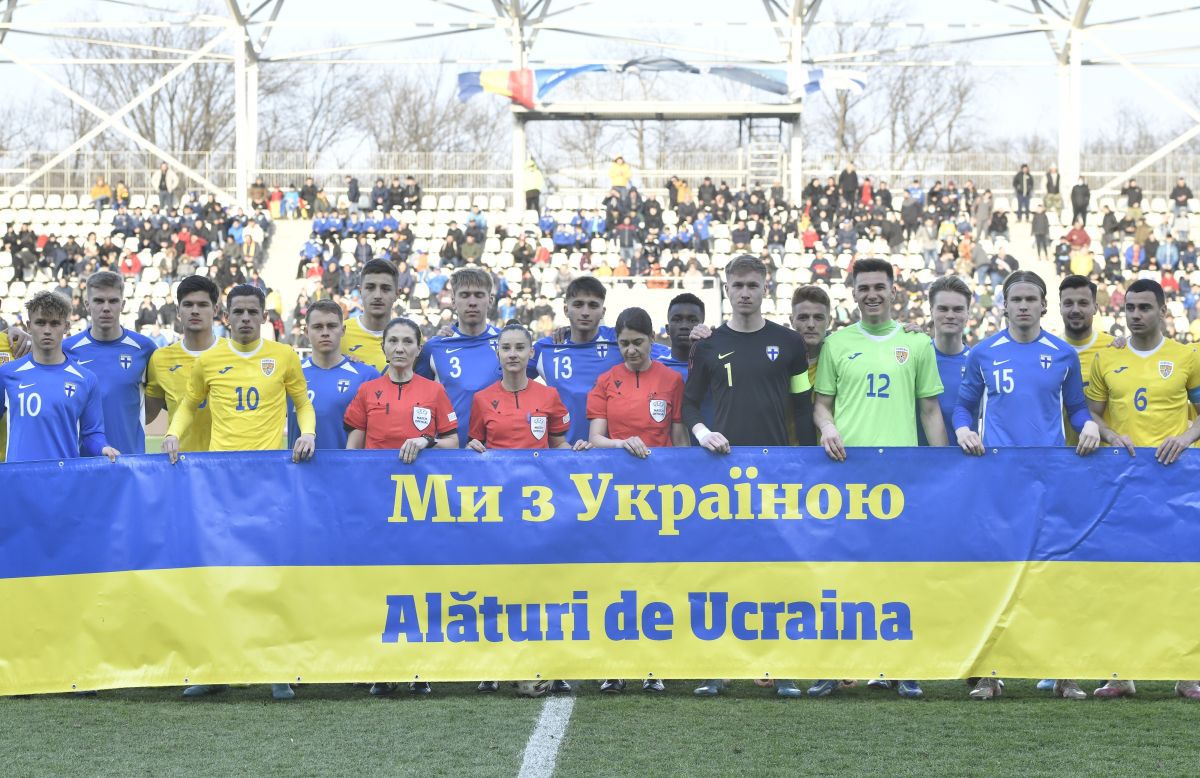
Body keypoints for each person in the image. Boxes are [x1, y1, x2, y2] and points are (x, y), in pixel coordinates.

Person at [162, 284, 315, 701]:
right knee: (218, 575)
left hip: (269, 479)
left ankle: (277, 669)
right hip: (220, 480)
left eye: (253, 311)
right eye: (238, 312)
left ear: (264, 315)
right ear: (225, 315)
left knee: (268, 574)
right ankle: (214, 668)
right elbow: (189, 405)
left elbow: (302, 402)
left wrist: (309, 433)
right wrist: (174, 435)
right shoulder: (210, 360)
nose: (245, 318)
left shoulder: (283, 356)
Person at [808, 257, 945, 700]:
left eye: (879, 287)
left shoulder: (917, 344)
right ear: (853, 292)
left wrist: (944, 468)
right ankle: (832, 666)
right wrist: (827, 427)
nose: (871, 294)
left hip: (899, 479)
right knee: (839, 575)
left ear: (893, 290)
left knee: (898, 574)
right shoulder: (837, 343)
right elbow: (821, 404)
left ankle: (902, 666)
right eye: (863, 287)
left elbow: (929, 411)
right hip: (845, 476)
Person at [683, 254, 816, 700]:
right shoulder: (707, 344)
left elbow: (802, 404)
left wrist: (807, 459)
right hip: (723, 472)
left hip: (777, 471)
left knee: (776, 572)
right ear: (726, 288)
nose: (744, 293)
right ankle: (716, 668)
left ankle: (781, 667)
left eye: (752, 285)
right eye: (737, 285)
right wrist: (702, 433)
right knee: (723, 571)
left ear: (766, 288)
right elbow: (689, 405)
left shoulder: (790, 343)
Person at [1085, 278, 1200, 701]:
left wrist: (1186, 438)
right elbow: (1091, 415)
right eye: (1130, 308)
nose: (1136, 315)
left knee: (1181, 579)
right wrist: (1112, 436)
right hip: (1122, 486)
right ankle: (1121, 673)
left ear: (1163, 310)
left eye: (1145, 308)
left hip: (1177, 485)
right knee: (1122, 579)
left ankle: (1188, 672)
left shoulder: (1187, 356)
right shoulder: (1106, 358)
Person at [468, 322, 589, 697]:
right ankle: (491, 667)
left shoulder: (549, 396)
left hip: (540, 508)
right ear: (498, 353)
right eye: (506, 348)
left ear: (531, 352)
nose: (513, 354)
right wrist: (472, 452)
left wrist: (580, 454)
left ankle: (555, 664)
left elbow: (557, 444)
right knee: (497, 585)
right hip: (498, 507)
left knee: (543, 585)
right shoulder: (482, 399)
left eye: (520, 347)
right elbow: (474, 444)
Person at [344, 316, 457, 696]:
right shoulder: (367, 392)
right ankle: (383, 668)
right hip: (378, 503)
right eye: (393, 340)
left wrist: (426, 441)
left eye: (407, 341)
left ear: (418, 347)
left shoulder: (433, 392)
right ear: (384, 346)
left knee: (419, 583)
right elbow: (352, 450)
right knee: (380, 583)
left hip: (422, 504)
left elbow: (452, 443)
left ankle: (420, 667)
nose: (399, 347)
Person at [589, 307, 687, 695]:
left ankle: (654, 664)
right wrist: (620, 443)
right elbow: (596, 437)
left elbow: (678, 439)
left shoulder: (671, 380)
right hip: (614, 494)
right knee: (614, 578)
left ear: (652, 340)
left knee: (656, 579)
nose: (630, 350)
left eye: (638, 342)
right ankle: (613, 665)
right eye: (624, 343)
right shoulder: (605, 381)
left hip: (659, 495)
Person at [0, 291, 119, 463]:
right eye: (40, 323)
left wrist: (103, 447)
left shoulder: (86, 379)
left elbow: (92, 434)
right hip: (20, 481)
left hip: (65, 481)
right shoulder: (7, 373)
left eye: (55, 323)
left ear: (67, 326)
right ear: (28, 326)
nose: (47, 330)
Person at [63, 271, 157, 456]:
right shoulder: (67, 349)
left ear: (122, 305)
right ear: (87, 305)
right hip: (81, 464)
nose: (106, 308)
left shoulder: (144, 348)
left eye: (113, 301)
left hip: (130, 459)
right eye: (98, 301)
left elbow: (155, 402)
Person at [415, 267, 502, 445]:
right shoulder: (435, 347)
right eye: (464, 295)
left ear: (490, 300)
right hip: (449, 456)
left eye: (479, 295)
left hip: (496, 456)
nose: (472, 302)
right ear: (453, 301)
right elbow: (413, 394)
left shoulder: (507, 343)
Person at [529, 276, 622, 443]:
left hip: (610, 454)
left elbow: (660, 355)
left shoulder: (620, 341)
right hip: (563, 454)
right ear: (566, 310)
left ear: (603, 312)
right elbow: (507, 379)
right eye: (578, 305)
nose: (585, 312)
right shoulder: (546, 348)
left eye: (593, 305)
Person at [287, 300, 378, 451]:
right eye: (317, 327)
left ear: (343, 330)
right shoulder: (290, 373)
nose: (325, 332)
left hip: (346, 472)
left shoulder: (367, 376)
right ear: (306, 332)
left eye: (331, 326)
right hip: (298, 471)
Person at [144, 275, 221, 453]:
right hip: (180, 463)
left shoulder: (233, 353)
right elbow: (147, 415)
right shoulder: (161, 359)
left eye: (202, 305)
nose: (195, 311)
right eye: (188, 305)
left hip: (224, 463)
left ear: (215, 310)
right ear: (178, 311)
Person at [923, 276, 974, 443]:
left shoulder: (978, 363)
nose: (950, 315)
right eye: (943, 309)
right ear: (931, 311)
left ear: (968, 313)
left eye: (958, 309)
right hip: (917, 463)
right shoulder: (917, 358)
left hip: (967, 463)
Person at [340, 259, 400, 372]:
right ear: (360, 291)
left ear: (397, 293)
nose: (377, 295)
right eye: (370, 287)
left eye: (385, 289)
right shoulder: (339, 334)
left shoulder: (412, 338)